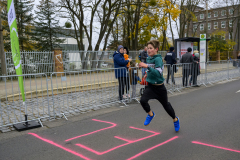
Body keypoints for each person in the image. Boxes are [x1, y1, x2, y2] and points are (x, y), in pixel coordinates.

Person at [138, 39, 180, 132]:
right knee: (143, 100)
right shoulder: (148, 58)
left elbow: (158, 73)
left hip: (160, 88)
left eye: (151, 48)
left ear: (156, 49)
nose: (148, 50)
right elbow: (151, 70)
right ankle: (151, 114)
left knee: (166, 106)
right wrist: (147, 74)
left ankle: (175, 119)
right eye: (148, 48)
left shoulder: (158, 59)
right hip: (150, 86)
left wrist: (147, 67)